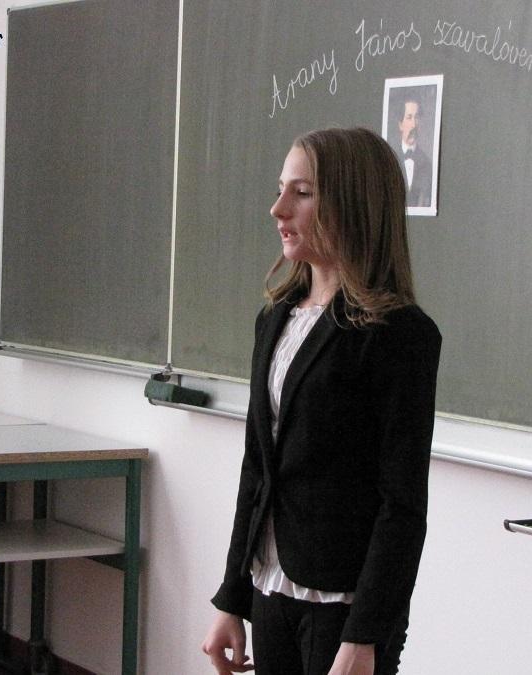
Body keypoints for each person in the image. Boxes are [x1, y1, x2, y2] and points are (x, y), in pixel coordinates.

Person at [201, 127, 442, 675]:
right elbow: (258, 468)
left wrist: (365, 636)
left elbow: (402, 504)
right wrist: (232, 596)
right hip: (271, 588)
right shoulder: (276, 318)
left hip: (344, 609)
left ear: (352, 204)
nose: (278, 209)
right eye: (281, 189)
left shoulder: (399, 334)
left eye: (302, 193)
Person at [390, 97, 432, 208]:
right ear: (400, 124)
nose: (414, 124)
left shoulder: (427, 164)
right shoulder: (390, 159)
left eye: (416, 118)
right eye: (409, 118)